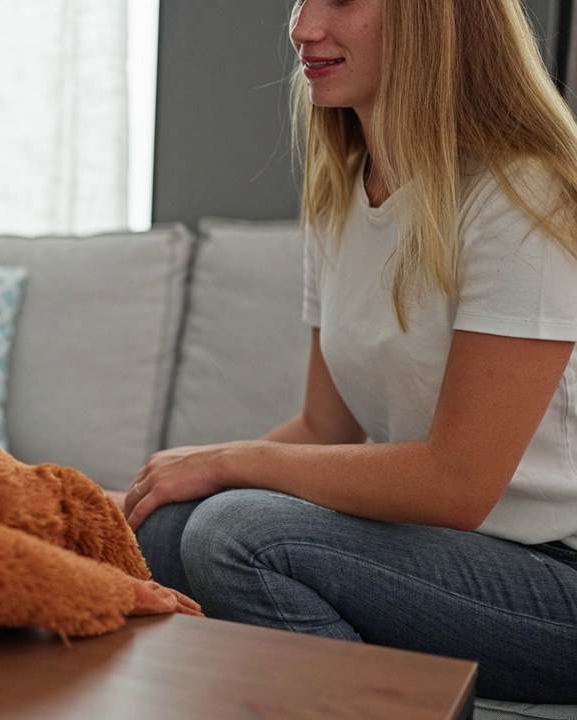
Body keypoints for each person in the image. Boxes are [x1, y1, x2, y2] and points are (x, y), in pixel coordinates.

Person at [124, 0, 577, 703]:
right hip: (441, 552)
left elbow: (458, 484)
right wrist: (149, 496)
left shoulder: (522, 196)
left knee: (236, 534)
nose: (303, 28)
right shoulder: (344, 191)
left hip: (556, 582)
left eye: (341, 1)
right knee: (167, 530)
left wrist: (229, 462)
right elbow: (324, 430)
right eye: (301, 1)